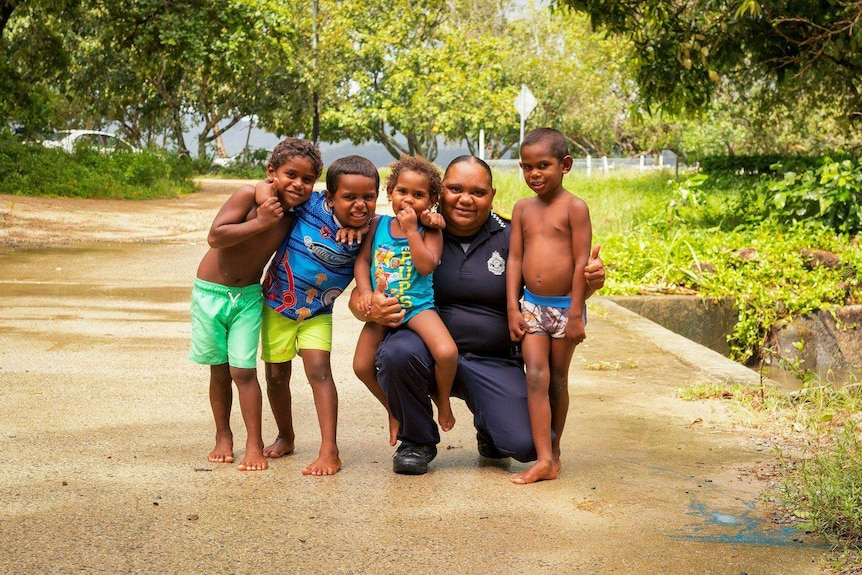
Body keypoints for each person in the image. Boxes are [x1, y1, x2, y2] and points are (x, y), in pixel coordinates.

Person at [348, 154, 605, 476]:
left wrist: (590, 285)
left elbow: (550, 291)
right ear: (441, 192)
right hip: (425, 353)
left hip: (493, 359)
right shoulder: (414, 230)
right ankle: (416, 440)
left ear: (492, 195)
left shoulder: (513, 234)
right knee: (398, 353)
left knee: (524, 446)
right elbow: (364, 285)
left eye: (478, 192)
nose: (465, 199)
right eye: (455, 189)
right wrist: (365, 305)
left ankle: (490, 424)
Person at [189, 137, 322, 472]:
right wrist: (260, 221)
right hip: (209, 294)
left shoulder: (294, 216)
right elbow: (216, 236)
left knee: (243, 371)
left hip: (248, 298)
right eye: (291, 174)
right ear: (271, 172)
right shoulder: (249, 196)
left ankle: (253, 444)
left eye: (307, 180)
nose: (299, 184)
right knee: (219, 370)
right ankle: (223, 436)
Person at [255, 155, 379, 476]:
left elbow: (400, 223)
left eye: (368, 197)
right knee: (276, 377)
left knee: (319, 372)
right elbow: (270, 189)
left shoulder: (372, 228)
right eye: (349, 197)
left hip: (318, 311)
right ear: (329, 197)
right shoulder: (309, 206)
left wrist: (366, 226)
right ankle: (286, 436)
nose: (359, 205)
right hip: (275, 305)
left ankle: (330, 450)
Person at [352, 156, 458, 448]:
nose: (408, 199)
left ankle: (443, 401)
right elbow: (361, 262)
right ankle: (393, 409)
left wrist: (413, 231)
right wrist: (364, 293)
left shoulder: (431, 230)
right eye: (402, 191)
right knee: (361, 366)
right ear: (390, 192)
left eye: (419, 194)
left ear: (432, 199)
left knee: (447, 352)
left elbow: (426, 266)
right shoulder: (377, 225)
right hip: (382, 310)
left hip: (418, 308)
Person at [506, 127, 592, 484]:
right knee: (535, 376)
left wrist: (575, 315)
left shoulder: (574, 208)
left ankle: (555, 453)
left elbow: (580, 263)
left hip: (564, 308)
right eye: (527, 167)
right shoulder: (522, 209)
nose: (534, 174)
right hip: (532, 305)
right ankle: (543, 457)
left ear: (565, 165)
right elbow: (514, 259)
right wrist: (513, 306)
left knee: (557, 379)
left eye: (543, 165)